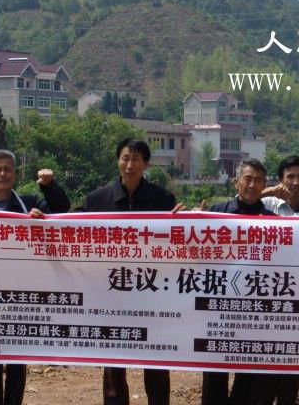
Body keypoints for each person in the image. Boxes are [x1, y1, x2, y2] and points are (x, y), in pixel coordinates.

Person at [0, 149, 71, 405]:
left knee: (17, 359)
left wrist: (49, 186)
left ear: (15, 174)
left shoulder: (29, 204)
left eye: (8, 169)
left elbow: (62, 208)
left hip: (21, 295)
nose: (3, 174)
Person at [83, 138, 177, 405]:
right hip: (111, 293)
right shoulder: (97, 200)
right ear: (118, 161)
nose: (130, 165)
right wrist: (42, 222)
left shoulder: (163, 199)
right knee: (113, 361)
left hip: (152, 292)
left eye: (136, 159)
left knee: (155, 357)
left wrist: (190, 221)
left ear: (146, 164)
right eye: (125, 158)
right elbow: (70, 227)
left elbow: (178, 240)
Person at [201, 158, 279, 405]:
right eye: (247, 179)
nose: (252, 185)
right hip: (219, 304)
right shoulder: (216, 213)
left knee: (250, 366)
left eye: (258, 180)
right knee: (215, 368)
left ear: (265, 184)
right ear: (237, 182)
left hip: (255, 306)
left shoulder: (275, 221)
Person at [261, 156, 299, 404]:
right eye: (290, 177)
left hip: (296, 302)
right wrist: (268, 191)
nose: (295, 182)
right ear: (280, 180)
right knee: (263, 368)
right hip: (263, 297)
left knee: (290, 364)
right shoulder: (266, 204)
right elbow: (240, 202)